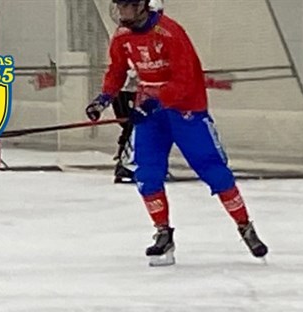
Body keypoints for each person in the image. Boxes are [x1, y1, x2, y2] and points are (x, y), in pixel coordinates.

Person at [85, 0, 268, 266]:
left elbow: (185, 79)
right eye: (119, 6)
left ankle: (245, 226)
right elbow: (117, 70)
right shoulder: (122, 36)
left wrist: (156, 102)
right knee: (147, 173)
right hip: (150, 111)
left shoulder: (170, 32)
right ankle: (163, 233)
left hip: (185, 110)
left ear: (142, 6)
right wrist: (103, 99)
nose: (121, 12)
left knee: (213, 170)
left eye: (127, 6)